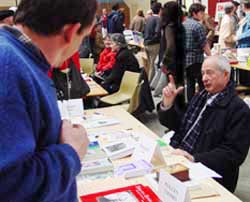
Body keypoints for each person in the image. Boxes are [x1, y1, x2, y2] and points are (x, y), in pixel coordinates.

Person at [0, 0, 97, 202]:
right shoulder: (7, 68)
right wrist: (71, 153)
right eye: (84, 37)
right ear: (71, 32)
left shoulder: (19, 60)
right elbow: (9, 187)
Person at [158, 55, 250, 192]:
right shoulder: (201, 97)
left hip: (207, 172)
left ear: (226, 75)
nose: (204, 78)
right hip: (178, 158)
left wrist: (194, 158)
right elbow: (179, 125)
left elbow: (233, 154)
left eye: (209, 73)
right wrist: (168, 103)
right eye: (202, 73)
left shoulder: (239, 110)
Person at [153, 1, 185, 102]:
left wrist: (164, 62)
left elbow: (170, 46)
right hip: (180, 61)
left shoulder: (169, 27)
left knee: (172, 87)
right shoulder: (180, 26)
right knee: (179, 86)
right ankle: (179, 109)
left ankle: (172, 111)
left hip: (171, 63)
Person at [183, 3, 211, 102]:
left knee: (190, 83)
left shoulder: (184, 24)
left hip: (185, 59)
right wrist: (211, 56)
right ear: (194, 13)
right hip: (196, 59)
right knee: (202, 83)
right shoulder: (198, 26)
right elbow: (204, 44)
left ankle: (191, 104)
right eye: (201, 12)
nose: (203, 14)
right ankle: (203, 102)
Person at [144, 2, 162, 81]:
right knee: (152, 65)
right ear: (160, 10)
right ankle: (149, 83)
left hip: (146, 43)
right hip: (154, 44)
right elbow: (157, 32)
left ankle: (147, 80)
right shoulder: (158, 19)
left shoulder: (149, 18)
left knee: (148, 65)